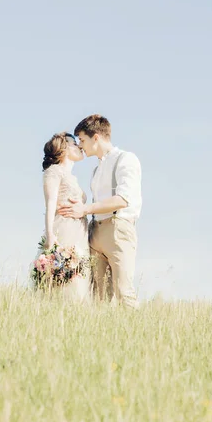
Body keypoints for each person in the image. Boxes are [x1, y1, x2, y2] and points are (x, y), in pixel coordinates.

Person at [58, 115, 142, 308]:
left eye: (82, 140)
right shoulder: (96, 170)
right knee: (98, 297)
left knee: (124, 292)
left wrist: (84, 209)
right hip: (95, 232)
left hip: (118, 231)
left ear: (96, 137)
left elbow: (123, 199)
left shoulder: (126, 159)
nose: (80, 146)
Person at [40, 132, 90, 300]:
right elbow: (50, 203)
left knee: (80, 279)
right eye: (75, 143)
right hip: (64, 230)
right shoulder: (54, 171)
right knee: (63, 280)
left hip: (80, 232)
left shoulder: (73, 178)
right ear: (65, 147)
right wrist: (50, 235)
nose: (80, 146)